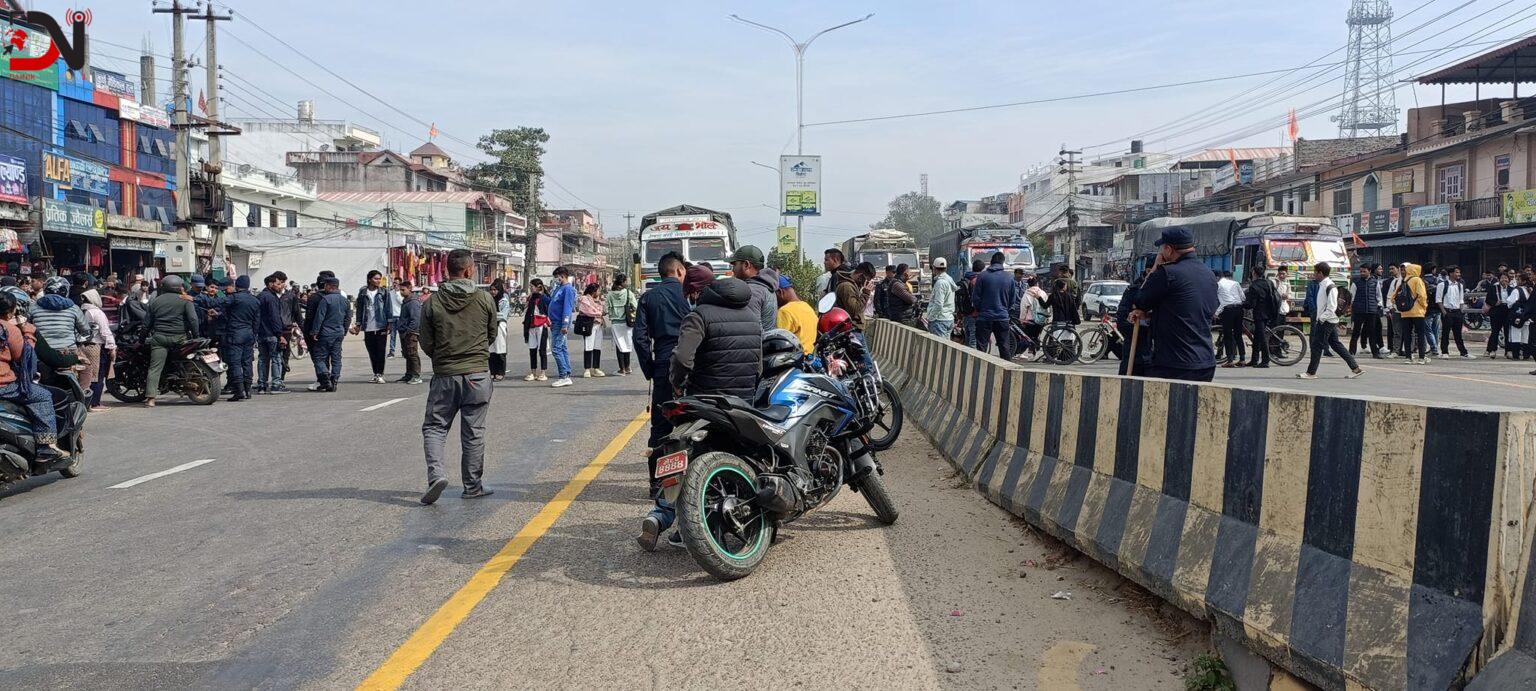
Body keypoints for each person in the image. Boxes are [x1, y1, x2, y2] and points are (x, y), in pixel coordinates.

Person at [418, 249, 499, 505]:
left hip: (445, 375)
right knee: (474, 431)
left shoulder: (432, 302)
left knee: (435, 427)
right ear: (468, 270)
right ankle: (473, 486)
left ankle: (436, 475)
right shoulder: (485, 299)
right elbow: (492, 333)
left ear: (446, 271)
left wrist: (443, 357)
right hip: (477, 374)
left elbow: (426, 342)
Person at [1128, 226, 1219, 382]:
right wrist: (1153, 315)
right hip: (1205, 363)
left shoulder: (1167, 273)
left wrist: (1156, 267)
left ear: (1169, 249)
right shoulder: (1209, 273)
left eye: (1163, 249)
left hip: (1174, 364)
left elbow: (1140, 301)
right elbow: (1192, 310)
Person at [669, 276, 762, 399]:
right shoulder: (753, 319)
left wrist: (677, 383)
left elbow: (682, 358)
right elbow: (758, 366)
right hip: (744, 401)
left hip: (706, 399)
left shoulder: (699, 316)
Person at [0, 293, 65, 457]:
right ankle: (46, 445)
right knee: (43, 396)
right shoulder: (9, 329)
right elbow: (25, 358)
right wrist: (28, 333)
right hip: (4, 386)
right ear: (10, 312)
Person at [1299, 263, 1364, 379]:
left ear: (1320, 273)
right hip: (1328, 320)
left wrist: (1321, 319)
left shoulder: (1330, 287)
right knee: (1335, 344)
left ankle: (1311, 373)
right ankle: (1356, 368)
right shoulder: (1322, 285)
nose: (1314, 274)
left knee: (1317, 346)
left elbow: (1332, 307)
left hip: (1327, 321)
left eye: (1315, 272)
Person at [143, 275, 200, 407]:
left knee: (155, 368)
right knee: (187, 362)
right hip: (180, 338)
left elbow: (147, 324)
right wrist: (196, 336)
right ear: (179, 287)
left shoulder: (155, 301)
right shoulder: (185, 300)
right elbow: (193, 320)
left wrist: (141, 340)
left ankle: (151, 399)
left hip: (160, 339)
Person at [30, 276, 90, 378]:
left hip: (41, 353)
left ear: (45, 290)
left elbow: (27, 327)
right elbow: (85, 330)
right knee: (87, 369)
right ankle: (84, 392)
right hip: (68, 351)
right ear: (66, 290)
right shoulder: (74, 308)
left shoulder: (33, 307)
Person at [221, 276, 261, 401]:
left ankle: (239, 391)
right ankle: (248, 390)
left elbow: (217, 303)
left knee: (235, 363)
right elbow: (257, 321)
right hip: (249, 334)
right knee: (247, 362)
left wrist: (195, 299)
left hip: (235, 334)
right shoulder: (255, 300)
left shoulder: (234, 298)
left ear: (236, 285)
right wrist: (253, 334)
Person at [309, 276, 352, 392]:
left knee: (319, 357)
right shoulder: (345, 300)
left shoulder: (326, 299)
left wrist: (315, 331)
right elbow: (348, 318)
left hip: (326, 332)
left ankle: (325, 377)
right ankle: (335, 379)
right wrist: (344, 330)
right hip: (339, 333)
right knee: (336, 358)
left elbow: (319, 317)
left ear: (329, 286)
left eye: (325, 286)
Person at [353, 270, 395, 383]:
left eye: (379, 279)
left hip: (381, 324)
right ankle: (375, 373)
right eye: (376, 278)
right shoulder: (363, 292)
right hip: (368, 326)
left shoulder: (384, 292)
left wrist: (389, 323)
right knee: (371, 351)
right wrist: (358, 324)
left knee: (380, 350)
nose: (378, 281)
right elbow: (360, 309)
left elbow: (388, 308)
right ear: (369, 279)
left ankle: (380, 373)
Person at [972, 252, 1016, 359]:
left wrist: (980, 310)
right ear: (1002, 262)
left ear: (991, 261)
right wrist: (1006, 310)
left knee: (981, 348)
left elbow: (976, 298)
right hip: (1002, 318)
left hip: (984, 317)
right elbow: (1012, 299)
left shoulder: (982, 276)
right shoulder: (1009, 277)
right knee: (1004, 347)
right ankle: (1006, 372)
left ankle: (980, 371)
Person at [78, 287, 115, 412]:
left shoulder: (81, 311)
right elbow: (105, 331)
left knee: (85, 374)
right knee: (97, 375)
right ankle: (94, 402)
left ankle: (86, 400)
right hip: (96, 346)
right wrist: (112, 346)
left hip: (82, 346)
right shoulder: (96, 312)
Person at [731, 245, 779, 332]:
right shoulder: (766, 286)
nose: (733, 269)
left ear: (746, 265)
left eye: (734, 264)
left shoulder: (752, 291)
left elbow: (752, 331)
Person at [257, 272, 290, 395]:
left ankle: (261, 385)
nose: (281, 285)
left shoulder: (259, 296)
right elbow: (275, 318)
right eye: (278, 283)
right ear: (271, 284)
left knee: (262, 359)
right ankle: (276, 385)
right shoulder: (272, 298)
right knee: (276, 359)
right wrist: (279, 334)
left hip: (261, 334)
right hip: (272, 334)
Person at [301, 271, 335, 391]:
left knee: (318, 358)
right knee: (330, 357)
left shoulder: (314, 298)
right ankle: (332, 380)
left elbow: (310, 317)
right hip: (332, 332)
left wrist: (308, 332)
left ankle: (323, 380)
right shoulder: (337, 297)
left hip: (316, 332)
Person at [546, 266, 578, 387]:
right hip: (555, 322)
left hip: (561, 322)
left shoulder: (568, 289)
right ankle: (567, 372)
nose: (556, 279)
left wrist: (565, 324)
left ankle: (563, 375)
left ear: (563, 276)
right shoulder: (559, 288)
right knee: (563, 348)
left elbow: (567, 307)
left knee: (556, 349)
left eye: (557, 277)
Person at [1243, 269, 1279, 368]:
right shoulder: (1269, 282)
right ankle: (1254, 360)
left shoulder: (1254, 286)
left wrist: (1242, 304)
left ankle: (1265, 360)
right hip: (1269, 312)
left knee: (1262, 338)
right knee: (1257, 337)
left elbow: (1251, 304)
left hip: (1259, 314)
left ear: (1254, 273)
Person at [1395, 262, 1430, 364]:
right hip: (1418, 312)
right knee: (1420, 334)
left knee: (1407, 335)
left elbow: (1394, 296)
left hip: (1405, 312)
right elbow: (1422, 296)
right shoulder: (1417, 280)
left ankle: (1408, 357)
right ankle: (1422, 357)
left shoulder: (1404, 280)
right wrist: (1424, 307)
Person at [605, 274, 638, 375]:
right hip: (627, 322)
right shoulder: (628, 293)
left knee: (619, 345)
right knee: (627, 344)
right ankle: (628, 367)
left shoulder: (610, 295)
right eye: (626, 281)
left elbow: (606, 309)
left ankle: (621, 369)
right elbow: (635, 306)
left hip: (616, 323)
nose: (627, 283)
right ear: (623, 282)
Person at [775, 275, 817, 355]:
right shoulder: (807, 307)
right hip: (811, 358)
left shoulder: (785, 311)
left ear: (780, 292)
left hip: (795, 360)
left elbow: (779, 341)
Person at [393, 281, 423, 384]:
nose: (401, 292)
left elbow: (415, 319)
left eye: (403, 290)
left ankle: (416, 375)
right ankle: (409, 374)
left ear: (410, 288)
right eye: (400, 290)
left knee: (412, 353)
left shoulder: (413, 302)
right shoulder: (406, 301)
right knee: (407, 354)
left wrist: (410, 331)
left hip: (411, 332)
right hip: (404, 331)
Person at [1437, 265, 1471, 359]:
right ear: (1451, 273)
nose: (1458, 274)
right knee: (1445, 333)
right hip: (1447, 311)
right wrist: (1444, 312)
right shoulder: (1442, 285)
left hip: (1457, 312)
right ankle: (1444, 352)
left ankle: (1463, 352)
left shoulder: (1460, 285)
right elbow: (1439, 299)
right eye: (1456, 272)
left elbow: (1461, 299)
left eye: (1459, 272)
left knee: (1458, 334)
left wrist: (1461, 310)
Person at [1348, 265, 1382, 358]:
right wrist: (1352, 308)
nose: (1362, 273)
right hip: (1359, 311)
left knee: (1372, 333)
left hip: (1371, 311)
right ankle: (1351, 352)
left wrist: (1378, 306)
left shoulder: (1375, 282)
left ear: (1369, 271)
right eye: (1361, 271)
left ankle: (1375, 353)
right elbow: (1352, 297)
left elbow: (1379, 297)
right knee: (1356, 332)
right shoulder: (1356, 283)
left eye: (1364, 271)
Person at [1215, 270, 1246, 367]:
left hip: (1228, 311)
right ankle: (1242, 359)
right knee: (1238, 335)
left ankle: (1230, 360)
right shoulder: (1235, 283)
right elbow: (1243, 297)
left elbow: (1223, 302)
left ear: (1217, 277)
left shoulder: (1219, 285)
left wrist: (1216, 313)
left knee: (1228, 335)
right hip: (1239, 309)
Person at [522, 279, 551, 381]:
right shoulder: (531, 298)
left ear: (538, 286)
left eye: (532, 287)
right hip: (531, 326)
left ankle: (543, 372)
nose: (530, 288)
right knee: (532, 350)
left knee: (542, 350)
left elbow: (550, 309)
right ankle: (533, 372)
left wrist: (548, 322)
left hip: (541, 326)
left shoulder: (544, 298)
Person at [577, 282, 607, 378]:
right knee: (588, 346)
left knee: (597, 347)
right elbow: (589, 311)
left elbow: (604, 311)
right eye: (598, 290)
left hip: (598, 325)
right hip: (589, 325)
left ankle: (596, 368)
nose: (599, 292)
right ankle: (587, 369)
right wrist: (599, 312)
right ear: (593, 291)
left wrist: (600, 305)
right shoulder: (584, 299)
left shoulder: (599, 300)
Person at [834, 261, 874, 331]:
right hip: (851, 330)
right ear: (861, 276)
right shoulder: (847, 286)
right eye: (867, 280)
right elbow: (854, 310)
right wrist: (865, 294)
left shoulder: (853, 285)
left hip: (853, 328)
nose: (867, 283)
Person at [925, 258, 956, 338]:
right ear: (946, 268)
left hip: (939, 320)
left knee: (938, 348)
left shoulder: (940, 283)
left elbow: (938, 304)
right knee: (946, 347)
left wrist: (931, 318)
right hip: (948, 318)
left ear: (934, 268)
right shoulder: (949, 279)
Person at [1381, 264, 1404, 357]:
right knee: (1396, 332)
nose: (1403, 271)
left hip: (1409, 311)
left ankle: (1409, 351)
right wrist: (1389, 308)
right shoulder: (1393, 282)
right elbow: (1389, 296)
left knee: (1410, 332)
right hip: (1396, 310)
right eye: (1402, 270)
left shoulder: (1413, 281)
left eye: (1404, 270)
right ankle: (1395, 350)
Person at [489, 279, 510, 381]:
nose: (493, 292)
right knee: (491, 351)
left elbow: (503, 315)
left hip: (500, 327)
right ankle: (493, 371)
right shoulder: (488, 300)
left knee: (500, 350)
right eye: (491, 290)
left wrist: (492, 316)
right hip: (490, 327)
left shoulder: (504, 301)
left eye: (495, 290)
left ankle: (500, 372)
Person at [959, 260, 983, 348]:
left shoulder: (966, 278)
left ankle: (966, 357)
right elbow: (976, 298)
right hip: (974, 313)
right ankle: (971, 359)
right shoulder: (976, 280)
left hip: (965, 312)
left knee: (967, 337)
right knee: (974, 338)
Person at [387, 276, 404, 358]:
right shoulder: (390, 293)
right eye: (394, 283)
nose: (395, 285)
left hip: (400, 316)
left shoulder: (402, 292)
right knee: (392, 335)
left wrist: (398, 293)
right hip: (393, 316)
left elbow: (401, 302)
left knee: (402, 335)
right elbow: (388, 305)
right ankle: (392, 351)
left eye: (397, 283)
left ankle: (404, 350)